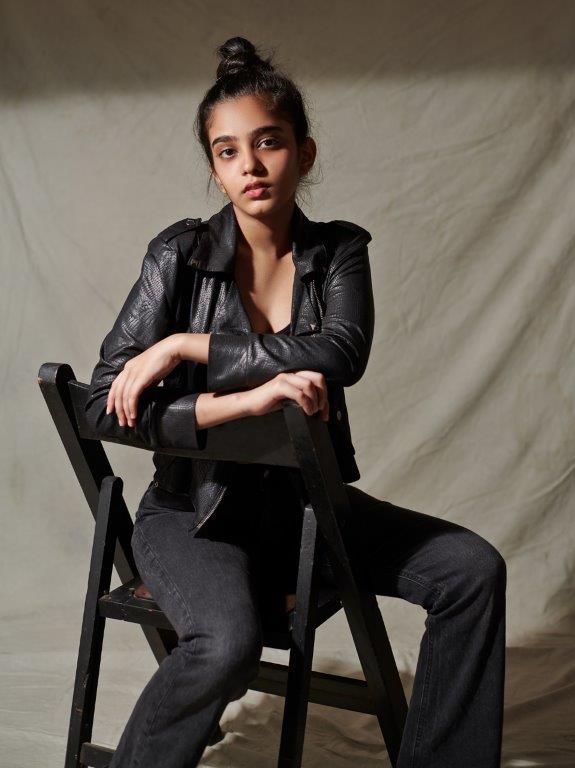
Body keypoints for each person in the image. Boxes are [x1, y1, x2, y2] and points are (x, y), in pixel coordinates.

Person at [85, 36, 506, 768]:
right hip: (193, 516)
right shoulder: (177, 256)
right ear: (215, 169)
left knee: (472, 570)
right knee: (226, 643)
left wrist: (189, 347)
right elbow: (99, 404)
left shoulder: (337, 252)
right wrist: (241, 404)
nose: (249, 165)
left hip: (307, 511)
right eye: (227, 151)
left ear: (303, 154)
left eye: (268, 143)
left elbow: (341, 353)